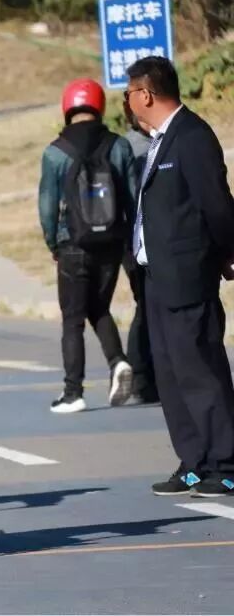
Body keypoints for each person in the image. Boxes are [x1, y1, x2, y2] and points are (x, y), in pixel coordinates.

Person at [125, 56, 234, 497]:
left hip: (189, 275)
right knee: (170, 376)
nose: (128, 102)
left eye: (129, 93)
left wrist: (228, 252)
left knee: (201, 371)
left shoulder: (192, 136)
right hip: (158, 276)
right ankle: (195, 460)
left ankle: (226, 462)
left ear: (146, 94)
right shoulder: (158, 140)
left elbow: (217, 205)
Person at [38, 78, 137, 414]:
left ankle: (73, 393)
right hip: (111, 244)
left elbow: (47, 205)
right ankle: (118, 361)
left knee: (73, 319)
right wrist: (129, 241)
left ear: (68, 108)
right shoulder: (119, 146)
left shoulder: (56, 152)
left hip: (73, 245)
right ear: (99, 107)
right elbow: (134, 199)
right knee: (98, 307)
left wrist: (53, 243)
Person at [121, 102, 160, 405]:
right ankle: (141, 378)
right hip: (142, 241)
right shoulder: (142, 148)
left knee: (145, 306)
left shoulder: (122, 145)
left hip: (127, 242)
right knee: (147, 307)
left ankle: (144, 378)